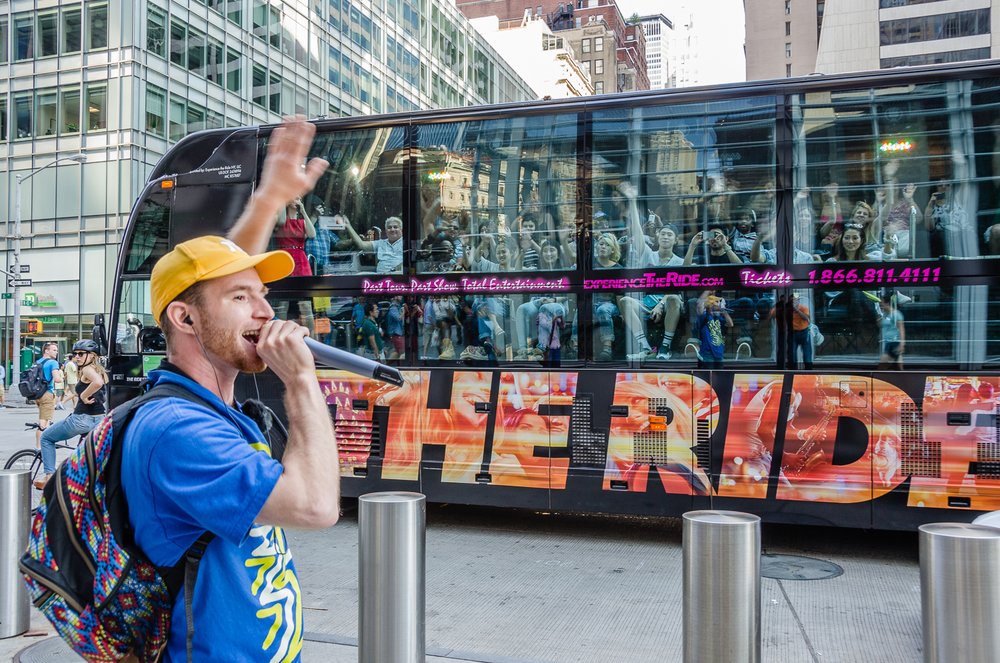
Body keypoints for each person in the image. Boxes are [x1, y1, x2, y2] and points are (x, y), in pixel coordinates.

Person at [120, 118, 339, 661]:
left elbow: (212, 292)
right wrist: (302, 381)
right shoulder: (177, 429)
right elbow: (315, 507)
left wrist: (268, 201)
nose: (266, 311)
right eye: (246, 298)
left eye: (262, 294)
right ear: (184, 321)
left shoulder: (210, 405)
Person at [35, 340, 106, 488]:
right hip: (99, 419)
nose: (77, 357)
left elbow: (98, 383)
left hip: (81, 420)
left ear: (92, 356)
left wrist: (83, 396)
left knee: (47, 438)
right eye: (75, 354)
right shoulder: (100, 369)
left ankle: (49, 477)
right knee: (85, 456)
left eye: (81, 354)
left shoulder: (87, 370)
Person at [32, 342, 63, 452]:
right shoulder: (52, 363)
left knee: (44, 420)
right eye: (54, 350)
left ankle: (40, 445)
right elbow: (57, 379)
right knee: (43, 423)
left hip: (38, 395)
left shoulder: (38, 362)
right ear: (46, 350)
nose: (56, 352)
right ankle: (39, 447)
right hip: (47, 394)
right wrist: (61, 377)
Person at [274, 197, 315, 276]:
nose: (297, 199)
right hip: (285, 257)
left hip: (300, 258)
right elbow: (281, 221)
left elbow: (312, 235)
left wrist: (303, 212)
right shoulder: (282, 220)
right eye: (294, 197)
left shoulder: (302, 222)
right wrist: (284, 200)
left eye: (299, 199)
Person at [695, 295, 733, 368]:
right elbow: (700, 309)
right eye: (717, 302)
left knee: (720, 377)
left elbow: (730, 324)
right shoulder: (705, 317)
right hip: (707, 353)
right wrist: (708, 306)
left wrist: (723, 311)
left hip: (719, 352)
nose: (719, 305)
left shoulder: (719, 318)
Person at [878, 293, 905, 369]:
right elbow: (880, 325)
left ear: (887, 303)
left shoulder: (896, 314)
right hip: (888, 342)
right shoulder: (885, 314)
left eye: (881, 303)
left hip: (894, 342)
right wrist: (879, 317)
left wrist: (902, 344)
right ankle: (903, 377)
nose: (880, 305)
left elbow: (901, 329)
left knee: (882, 367)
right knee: (899, 366)